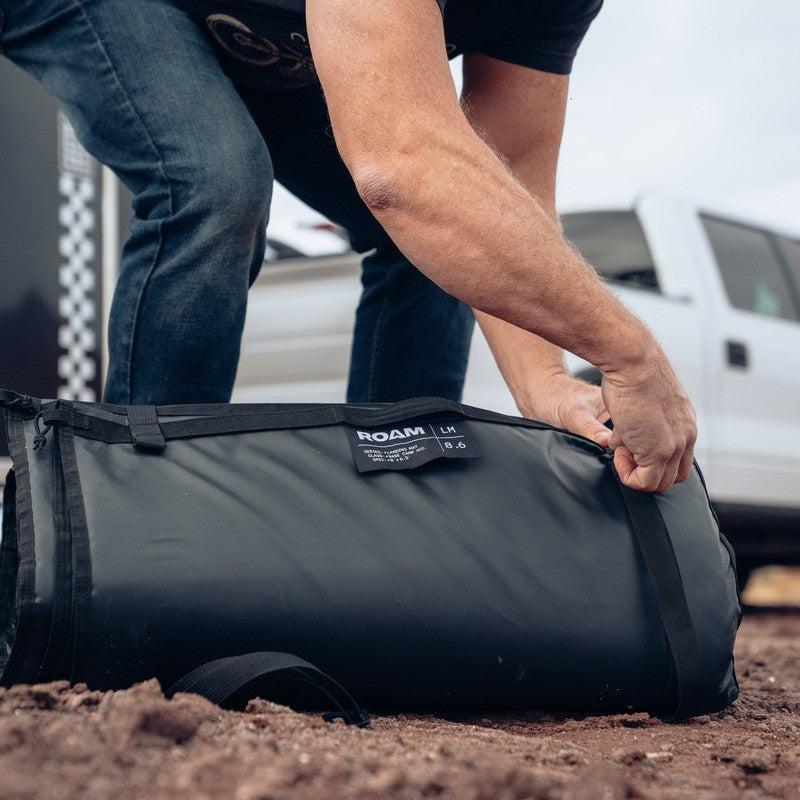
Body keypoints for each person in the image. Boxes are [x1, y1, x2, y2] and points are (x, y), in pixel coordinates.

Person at [0, 0, 696, 492]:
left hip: (271, 39)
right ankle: (139, 515)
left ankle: (389, 514)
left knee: (456, 235)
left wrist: (544, 379)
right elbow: (404, 170)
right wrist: (629, 352)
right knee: (213, 181)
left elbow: (508, 187)